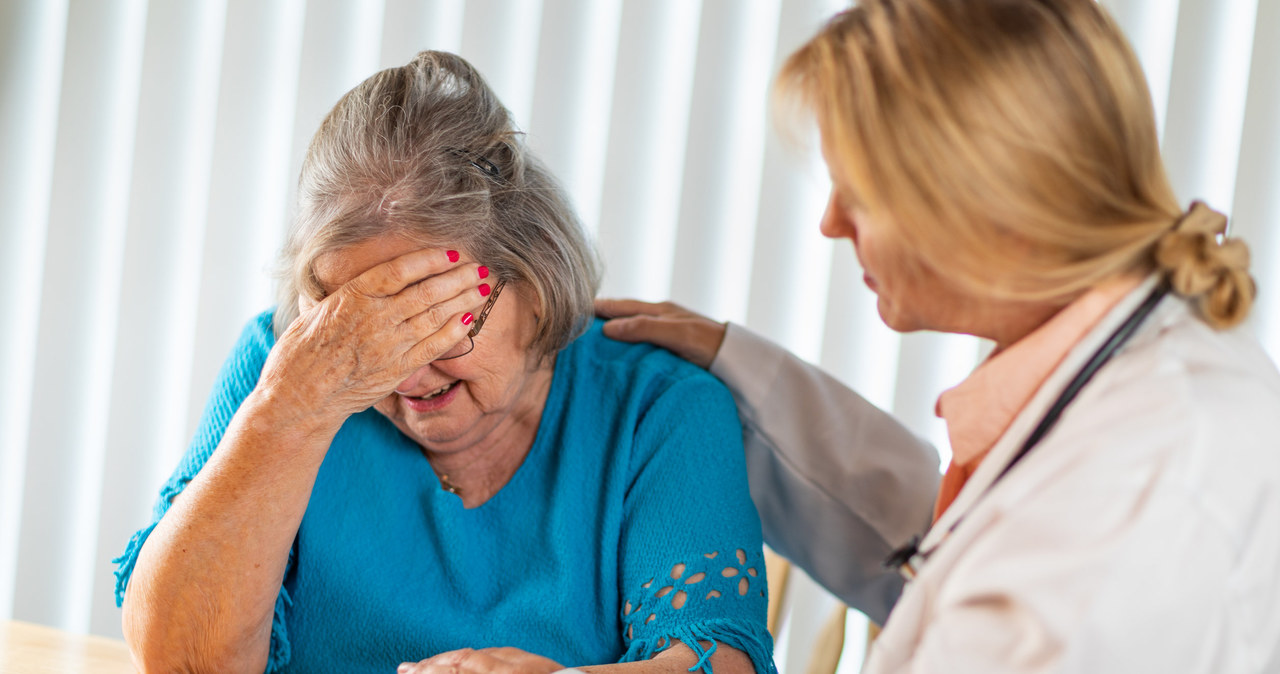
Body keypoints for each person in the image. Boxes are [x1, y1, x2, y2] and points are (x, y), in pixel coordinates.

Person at [598, 0, 1280, 671]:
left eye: (859, 194)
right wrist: (739, 368)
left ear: (984, 198)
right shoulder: (1130, 387)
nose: (832, 224)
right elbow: (940, 546)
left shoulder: (1128, 502)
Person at [113, 51, 775, 674]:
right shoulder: (287, 369)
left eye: (437, 324)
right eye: (363, 331)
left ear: (536, 279)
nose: (403, 374)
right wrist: (293, 406)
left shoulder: (656, 408)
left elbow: (719, 660)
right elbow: (177, 657)